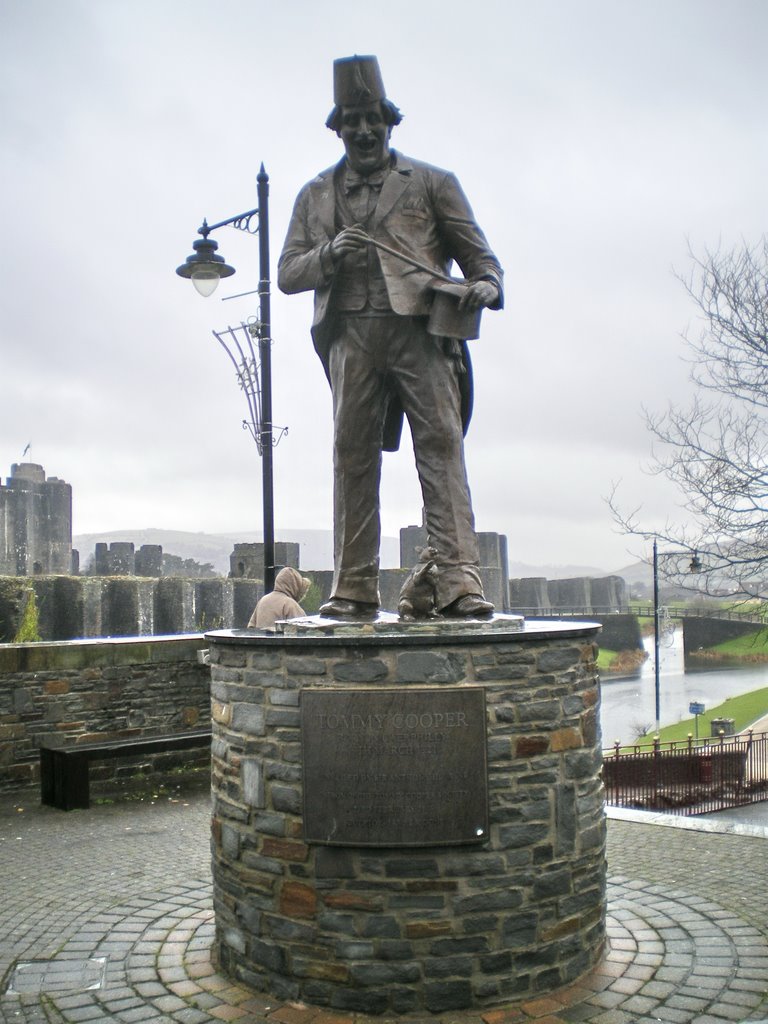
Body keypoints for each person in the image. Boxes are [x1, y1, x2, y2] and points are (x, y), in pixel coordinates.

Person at [278, 55, 503, 619]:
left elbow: (483, 262)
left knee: (442, 447)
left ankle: (458, 583)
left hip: (421, 335)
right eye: (351, 120)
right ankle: (353, 587)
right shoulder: (315, 196)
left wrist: (486, 286)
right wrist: (329, 255)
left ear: (388, 120)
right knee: (351, 456)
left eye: (371, 118)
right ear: (338, 126)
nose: (362, 129)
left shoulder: (432, 183)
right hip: (351, 337)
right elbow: (287, 273)